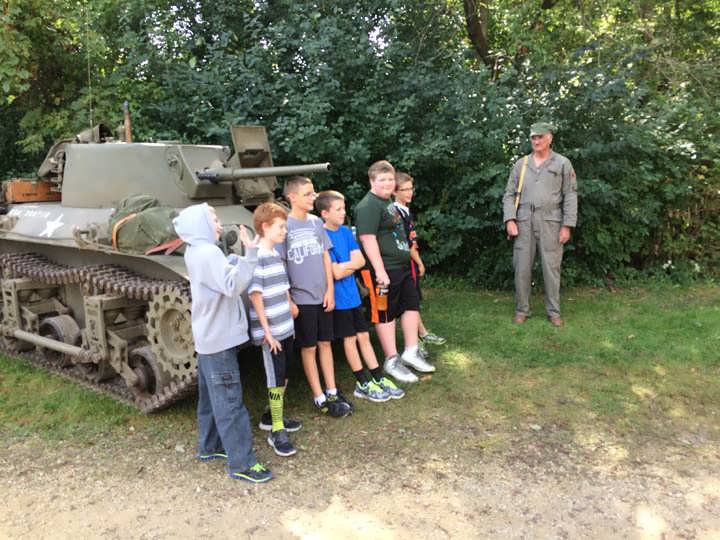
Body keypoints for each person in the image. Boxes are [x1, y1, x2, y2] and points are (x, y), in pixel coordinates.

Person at [172, 203, 272, 484]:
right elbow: (232, 286)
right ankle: (242, 463)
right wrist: (250, 256)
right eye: (213, 220)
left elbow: (218, 276)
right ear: (200, 225)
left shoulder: (195, 249)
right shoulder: (208, 252)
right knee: (229, 402)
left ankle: (210, 446)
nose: (218, 225)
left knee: (209, 399)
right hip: (219, 338)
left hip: (207, 337)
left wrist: (233, 261)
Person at [315, 190, 406, 402]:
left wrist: (344, 266)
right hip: (339, 300)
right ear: (324, 213)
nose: (343, 212)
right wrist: (349, 265)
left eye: (344, 208)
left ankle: (378, 377)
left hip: (353, 296)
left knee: (364, 336)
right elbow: (335, 273)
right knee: (350, 339)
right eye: (338, 209)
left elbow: (360, 261)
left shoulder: (346, 232)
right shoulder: (322, 236)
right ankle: (362, 382)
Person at [277, 176, 353, 417]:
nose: (313, 197)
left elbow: (325, 257)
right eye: (308, 194)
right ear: (292, 198)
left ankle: (332, 390)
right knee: (308, 347)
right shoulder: (284, 226)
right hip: (302, 300)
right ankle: (319, 396)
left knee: (326, 343)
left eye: (313, 193)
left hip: (323, 296)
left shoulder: (315, 223)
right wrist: (289, 300)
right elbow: (280, 265)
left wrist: (330, 290)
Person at [353, 160, 435, 384]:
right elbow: (367, 239)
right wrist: (380, 271)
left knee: (411, 305)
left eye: (390, 179)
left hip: (401, 267)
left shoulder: (387, 201)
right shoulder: (368, 206)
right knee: (385, 313)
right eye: (382, 180)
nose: (388, 183)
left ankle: (411, 351)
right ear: (372, 181)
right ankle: (391, 360)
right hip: (383, 270)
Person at [502, 122, 578, 327]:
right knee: (521, 268)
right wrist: (510, 219)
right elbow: (509, 195)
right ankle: (522, 310)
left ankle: (554, 312)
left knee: (551, 269)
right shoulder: (521, 164)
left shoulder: (562, 163)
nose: (536, 141)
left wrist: (567, 225)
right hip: (524, 221)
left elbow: (570, 195)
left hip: (551, 222)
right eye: (533, 138)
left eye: (540, 137)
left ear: (549, 138)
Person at [248, 202, 302, 457]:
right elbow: (255, 295)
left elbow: (281, 286)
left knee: (285, 374)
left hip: (285, 327)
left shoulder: (274, 254)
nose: (285, 231)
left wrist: (290, 303)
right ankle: (276, 430)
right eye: (280, 227)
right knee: (275, 381)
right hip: (272, 333)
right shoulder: (258, 257)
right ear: (265, 227)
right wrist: (267, 333)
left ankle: (272, 416)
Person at [393, 172, 446, 351]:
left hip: (408, 261)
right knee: (409, 302)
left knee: (412, 300)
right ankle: (417, 340)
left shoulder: (405, 210)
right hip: (405, 262)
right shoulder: (396, 213)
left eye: (411, 188)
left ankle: (422, 333)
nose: (410, 193)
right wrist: (420, 263)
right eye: (404, 189)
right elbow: (408, 244)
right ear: (395, 192)